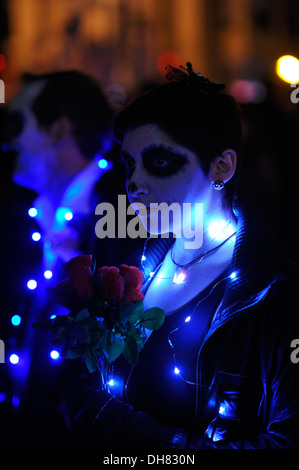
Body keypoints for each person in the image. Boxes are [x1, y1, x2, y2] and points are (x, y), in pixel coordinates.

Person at [65, 63, 299, 449]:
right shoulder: (134, 263)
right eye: (129, 164)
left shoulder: (274, 294)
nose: (135, 184)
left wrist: (141, 436)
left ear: (221, 166)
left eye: (158, 161)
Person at [1, 71, 142, 448]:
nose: (9, 139)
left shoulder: (127, 215)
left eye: (18, 123)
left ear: (59, 127)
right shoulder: (30, 211)